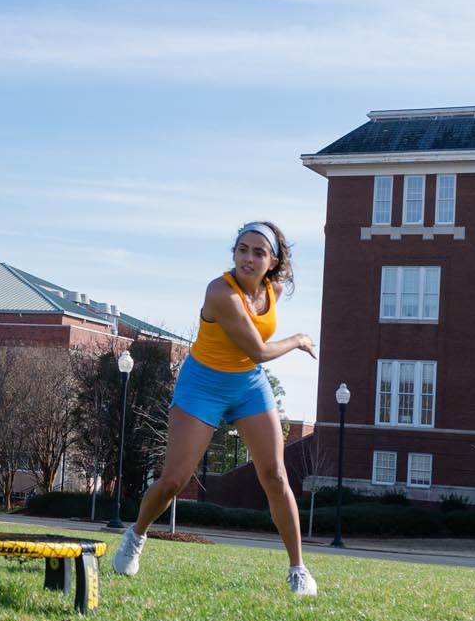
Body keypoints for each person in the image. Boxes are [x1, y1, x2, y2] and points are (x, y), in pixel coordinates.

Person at [112, 222, 321, 596]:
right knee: (174, 480)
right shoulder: (220, 292)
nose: (249, 258)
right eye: (242, 249)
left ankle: (298, 569)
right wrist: (298, 340)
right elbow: (257, 349)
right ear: (234, 253)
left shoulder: (272, 288)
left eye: (259, 252)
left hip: (248, 386)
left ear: (272, 262)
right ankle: (136, 535)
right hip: (202, 384)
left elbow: (252, 359)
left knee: (275, 475)